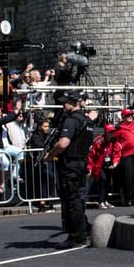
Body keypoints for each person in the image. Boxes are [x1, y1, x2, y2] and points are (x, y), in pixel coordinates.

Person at [43, 89, 93, 248]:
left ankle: (76, 236)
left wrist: (50, 155)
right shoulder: (86, 120)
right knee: (76, 199)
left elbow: (63, 143)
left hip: (70, 164)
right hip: (80, 163)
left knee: (71, 201)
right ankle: (82, 231)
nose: (63, 105)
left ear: (75, 102)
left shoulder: (71, 120)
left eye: (67, 102)